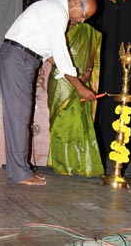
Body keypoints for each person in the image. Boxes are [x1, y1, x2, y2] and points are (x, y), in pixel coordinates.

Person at [0, 0, 97, 185]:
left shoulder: (54, 9)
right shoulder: (57, 13)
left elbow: (51, 53)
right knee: (19, 117)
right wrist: (80, 87)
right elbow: (60, 52)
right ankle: (21, 173)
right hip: (19, 59)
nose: (83, 20)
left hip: (20, 58)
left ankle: (18, 169)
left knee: (18, 117)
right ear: (76, 3)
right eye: (85, 15)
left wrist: (69, 76)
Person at [47, 21, 104, 177]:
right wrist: (69, 73)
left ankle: (82, 163)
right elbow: (48, 54)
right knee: (62, 121)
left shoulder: (89, 32)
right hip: (61, 81)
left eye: (87, 16)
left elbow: (92, 55)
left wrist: (87, 74)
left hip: (83, 80)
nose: (83, 19)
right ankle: (64, 164)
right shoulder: (58, 27)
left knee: (81, 121)